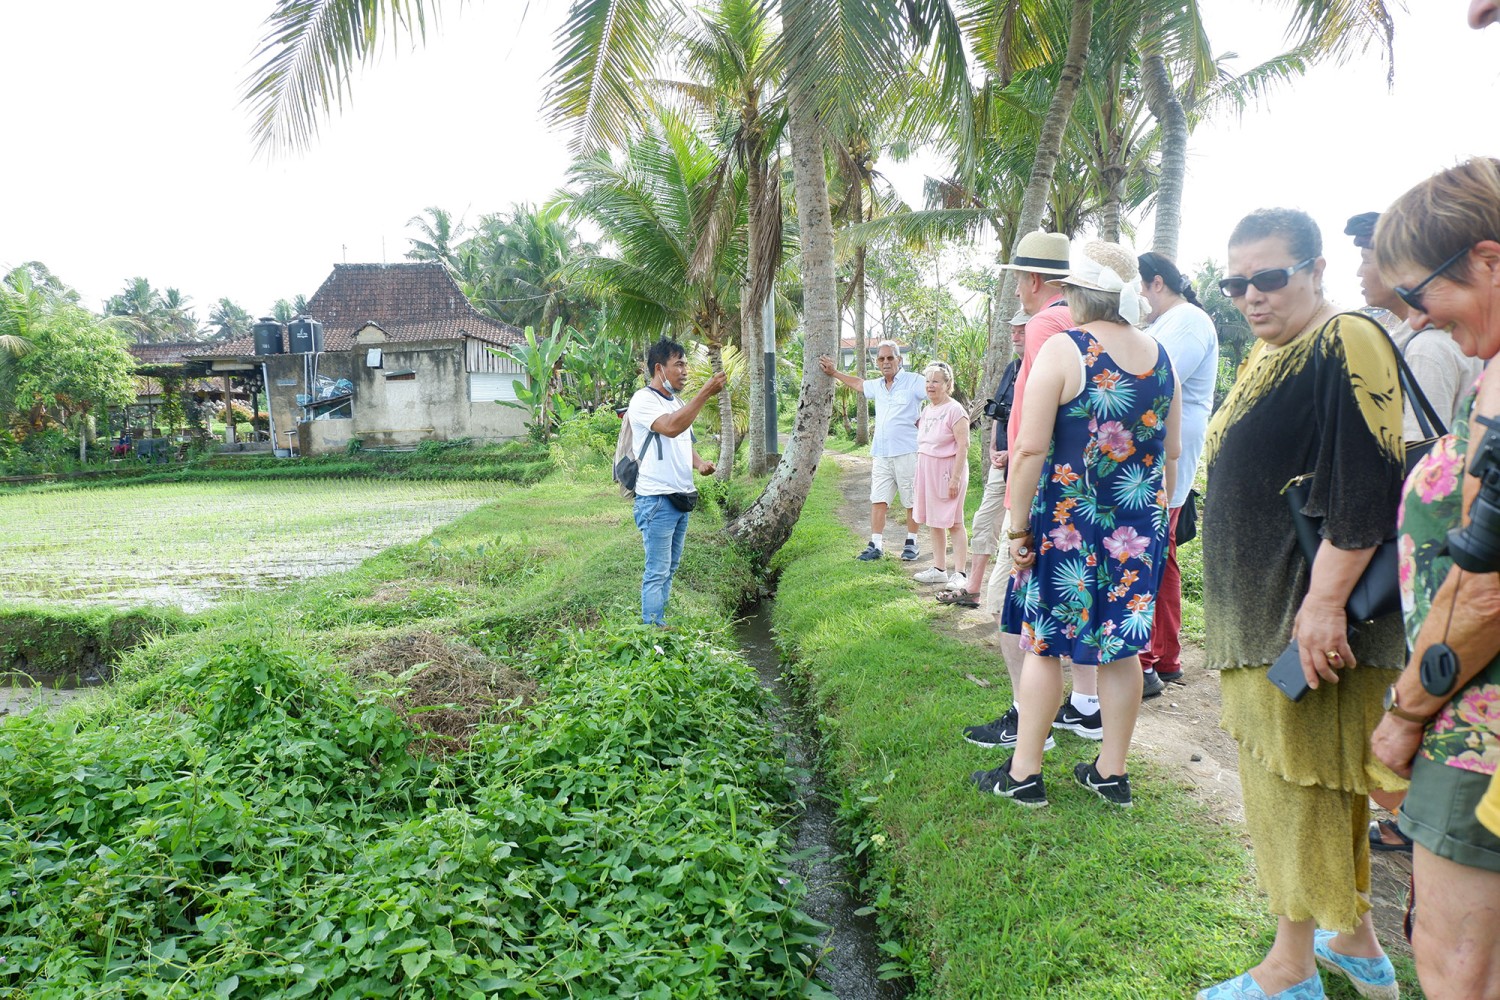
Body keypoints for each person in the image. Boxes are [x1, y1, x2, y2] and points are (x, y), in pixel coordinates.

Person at [1196, 208, 1406, 1000]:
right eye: (1236, 281)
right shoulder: (1269, 351)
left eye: (1270, 277)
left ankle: (1289, 971)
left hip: (1309, 616)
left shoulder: (1343, 339)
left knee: (1299, 788)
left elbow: (1367, 482)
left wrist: (1321, 607)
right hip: (1268, 611)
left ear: (1316, 270)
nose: (1251, 295)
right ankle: (1357, 944)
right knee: (1314, 784)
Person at [975, 239, 1181, 810]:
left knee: (1044, 647)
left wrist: (1017, 530)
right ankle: (1111, 774)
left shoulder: (1068, 349)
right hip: (1136, 528)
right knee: (1120, 652)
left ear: (1077, 293)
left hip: (1068, 527)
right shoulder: (1159, 355)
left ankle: (1024, 776)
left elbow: (1028, 450)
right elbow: (1172, 449)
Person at [1368, 158, 1500, 1000]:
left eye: (1419, 294)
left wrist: (1405, 716)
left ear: (1487, 261)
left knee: (1457, 969)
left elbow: (1488, 588)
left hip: (1479, 726)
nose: (1411, 315)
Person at [1346, 210, 1484, 857]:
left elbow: (1411, 458)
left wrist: (1403, 718)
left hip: (1456, 634)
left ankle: (1405, 818)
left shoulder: (1429, 348)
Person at [962, 231, 1103, 751]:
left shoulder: (1046, 323)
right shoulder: (1087, 320)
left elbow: (1037, 414)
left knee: (1009, 599)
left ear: (1034, 279)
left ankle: (1028, 720)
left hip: (1041, 482)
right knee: (1078, 604)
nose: (1019, 288)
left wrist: (1018, 504)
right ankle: (1085, 707)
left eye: (1019, 277)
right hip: (1084, 486)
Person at [1137, 253, 1218, 695]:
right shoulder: (1167, 322)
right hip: (1159, 454)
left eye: (1139, 289)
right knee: (1162, 555)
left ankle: (1146, 660)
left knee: (1150, 553)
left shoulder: (1188, 320)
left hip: (1166, 458)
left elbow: (1156, 382)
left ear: (1157, 283)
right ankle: (1162, 656)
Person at [1346, 212, 1482, 438]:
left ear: (1398, 270)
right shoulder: (1434, 339)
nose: (1359, 272)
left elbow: (1419, 448)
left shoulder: (1425, 349)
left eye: (1366, 260)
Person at [625, 339, 726, 627]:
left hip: (681, 497)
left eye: (686, 364)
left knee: (670, 567)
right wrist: (705, 392)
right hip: (657, 500)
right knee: (657, 570)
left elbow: (683, 439)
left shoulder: (679, 402)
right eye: (678, 364)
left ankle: (660, 622)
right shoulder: (642, 400)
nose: (685, 370)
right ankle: (652, 629)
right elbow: (670, 427)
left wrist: (699, 463)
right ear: (659, 368)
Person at [936, 311, 1026, 609]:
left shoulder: (1044, 368)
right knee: (984, 520)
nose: (1015, 336)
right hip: (1001, 462)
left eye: (1021, 330)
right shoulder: (1013, 368)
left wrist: (1013, 451)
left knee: (1016, 531)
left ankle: (1010, 603)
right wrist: (992, 446)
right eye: (1012, 330)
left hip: (1026, 463)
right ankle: (973, 589)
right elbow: (1000, 412)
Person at [819, 341, 925, 561]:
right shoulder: (877, 385)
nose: (886, 362)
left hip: (908, 452)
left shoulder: (914, 381)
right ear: (877, 362)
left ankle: (912, 542)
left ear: (899, 359)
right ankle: (875, 544)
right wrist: (834, 372)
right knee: (878, 499)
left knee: (911, 499)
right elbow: (859, 384)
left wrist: (930, 421)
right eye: (881, 359)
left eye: (890, 358)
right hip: (881, 453)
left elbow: (936, 391)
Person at [911, 362, 971, 588]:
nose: (930, 385)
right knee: (934, 521)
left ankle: (961, 573)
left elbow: (963, 445)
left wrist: (955, 478)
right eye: (928, 381)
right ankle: (938, 569)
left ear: (947, 384)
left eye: (936, 381)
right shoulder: (928, 410)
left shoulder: (955, 410)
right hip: (927, 469)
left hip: (948, 472)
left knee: (954, 522)